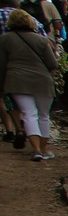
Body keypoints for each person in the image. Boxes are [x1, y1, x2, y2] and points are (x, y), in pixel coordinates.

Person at [0, 9, 55, 160]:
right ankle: (44, 149)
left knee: (29, 114)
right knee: (44, 115)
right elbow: (52, 64)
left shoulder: (5, 39)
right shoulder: (42, 40)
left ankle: (36, 150)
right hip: (42, 81)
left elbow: (2, 65)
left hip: (17, 81)